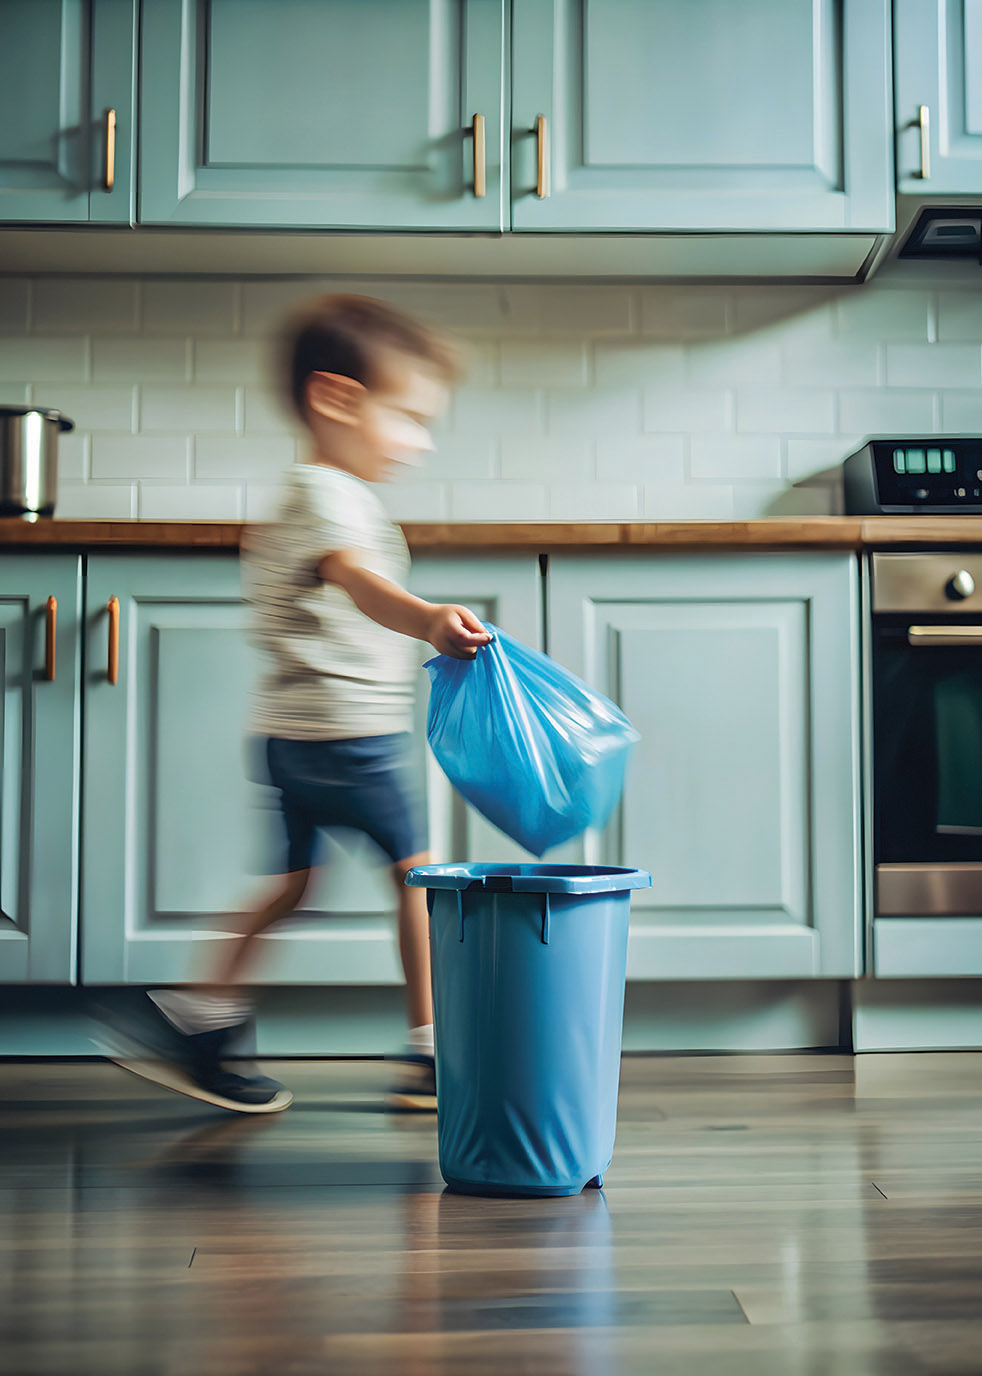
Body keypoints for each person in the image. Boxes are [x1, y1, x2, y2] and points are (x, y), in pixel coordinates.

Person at [101, 294, 491, 1113]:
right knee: (418, 881)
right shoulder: (328, 496)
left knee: (289, 885)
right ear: (336, 398)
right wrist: (424, 620)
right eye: (410, 417)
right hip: (349, 736)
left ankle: (200, 1021)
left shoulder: (311, 492)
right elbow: (355, 579)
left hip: (289, 733)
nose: (420, 443)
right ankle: (430, 1055)